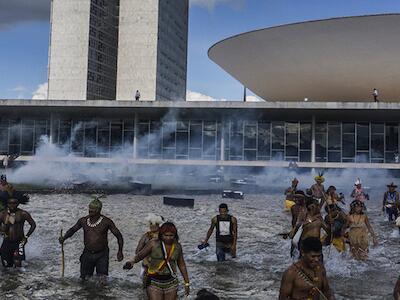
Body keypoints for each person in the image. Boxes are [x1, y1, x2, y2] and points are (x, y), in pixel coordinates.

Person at [58, 197, 124, 282]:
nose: (90, 211)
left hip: (102, 254)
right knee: (84, 279)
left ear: (99, 210)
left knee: (102, 280)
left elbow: (118, 235)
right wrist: (64, 238)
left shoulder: (106, 222)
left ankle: (100, 295)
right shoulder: (83, 220)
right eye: (89, 209)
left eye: (93, 209)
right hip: (87, 253)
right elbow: (73, 230)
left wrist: (120, 251)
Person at [123, 222, 190, 299]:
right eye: (166, 235)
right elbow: (140, 255)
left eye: (171, 235)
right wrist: (131, 262)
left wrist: (187, 283)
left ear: (175, 235)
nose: (168, 238)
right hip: (154, 282)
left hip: (171, 283)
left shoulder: (178, 247)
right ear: (161, 235)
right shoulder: (153, 243)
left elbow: (181, 265)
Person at [0, 198, 36, 267]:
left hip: (20, 241)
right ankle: (10, 277)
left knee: (17, 262)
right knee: (6, 263)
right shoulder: (3, 214)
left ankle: (20, 277)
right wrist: (2, 230)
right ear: (7, 204)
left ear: (18, 204)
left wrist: (26, 237)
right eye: (10, 203)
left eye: (14, 203)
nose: (12, 205)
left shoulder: (23, 213)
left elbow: (33, 225)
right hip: (7, 241)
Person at [136, 214, 164, 283]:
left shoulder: (164, 237)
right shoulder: (146, 236)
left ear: (159, 225)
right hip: (146, 266)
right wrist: (145, 260)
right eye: (151, 223)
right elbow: (137, 251)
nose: (152, 225)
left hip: (161, 266)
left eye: (155, 224)